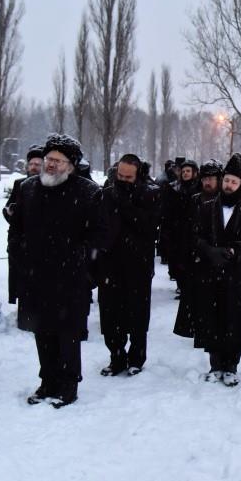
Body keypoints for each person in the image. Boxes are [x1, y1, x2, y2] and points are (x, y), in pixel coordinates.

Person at [9, 134, 107, 408]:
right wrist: (19, 257)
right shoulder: (28, 189)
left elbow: (100, 235)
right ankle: (47, 380)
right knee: (42, 331)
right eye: (49, 159)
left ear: (71, 165)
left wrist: (82, 263)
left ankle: (68, 384)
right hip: (35, 276)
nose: (51, 165)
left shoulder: (88, 192)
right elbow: (16, 230)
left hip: (70, 278)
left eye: (58, 161)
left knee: (67, 333)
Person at [192, 153, 241, 387]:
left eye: (234, 182)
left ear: (240, 184)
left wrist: (235, 250)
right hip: (211, 274)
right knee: (213, 320)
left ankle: (231, 365)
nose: (229, 185)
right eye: (227, 181)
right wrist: (209, 251)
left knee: (235, 320)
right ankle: (215, 364)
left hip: (238, 276)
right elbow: (196, 237)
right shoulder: (206, 208)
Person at [96, 154, 161, 377]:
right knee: (110, 314)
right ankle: (116, 356)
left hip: (138, 264)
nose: (122, 180)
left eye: (128, 177)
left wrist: (125, 204)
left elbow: (150, 226)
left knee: (137, 314)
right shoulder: (106, 194)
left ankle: (136, 357)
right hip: (110, 264)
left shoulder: (150, 194)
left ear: (137, 175)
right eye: (120, 175)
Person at [173, 159, 223, 339]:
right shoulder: (195, 199)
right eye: (205, 178)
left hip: (217, 259)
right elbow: (186, 230)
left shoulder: (223, 201)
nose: (208, 182)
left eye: (212, 178)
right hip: (197, 259)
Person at [3, 144, 44, 331]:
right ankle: (24, 318)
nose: (34, 167)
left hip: (39, 242)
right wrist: (10, 212)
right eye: (32, 164)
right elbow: (8, 208)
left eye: (38, 163)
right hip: (20, 241)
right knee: (22, 282)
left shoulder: (46, 185)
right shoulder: (19, 184)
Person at [160, 159, 199, 297]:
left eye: (188, 171)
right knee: (178, 259)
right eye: (183, 171)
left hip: (192, 230)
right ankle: (181, 286)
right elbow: (168, 209)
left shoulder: (198, 189)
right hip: (177, 230)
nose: (185, 173)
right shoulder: (174, 188)